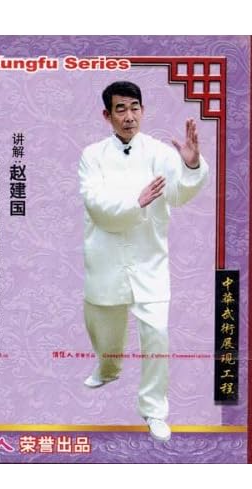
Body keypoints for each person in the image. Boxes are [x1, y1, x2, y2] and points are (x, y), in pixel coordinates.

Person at [78, 81, 208, 442]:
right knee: (104, 328)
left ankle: (154, 409)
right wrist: (135, 203)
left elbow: (178, 195)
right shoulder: (92, 155)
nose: (129, 116)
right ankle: (108, 369)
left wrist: (191, 165)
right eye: (120, 109)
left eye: (134, 107)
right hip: (105, 257)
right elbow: (95, 204)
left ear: (143, 110)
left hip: (150, 260)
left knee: (157, 336)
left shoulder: (160, 153)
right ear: (107, 115)